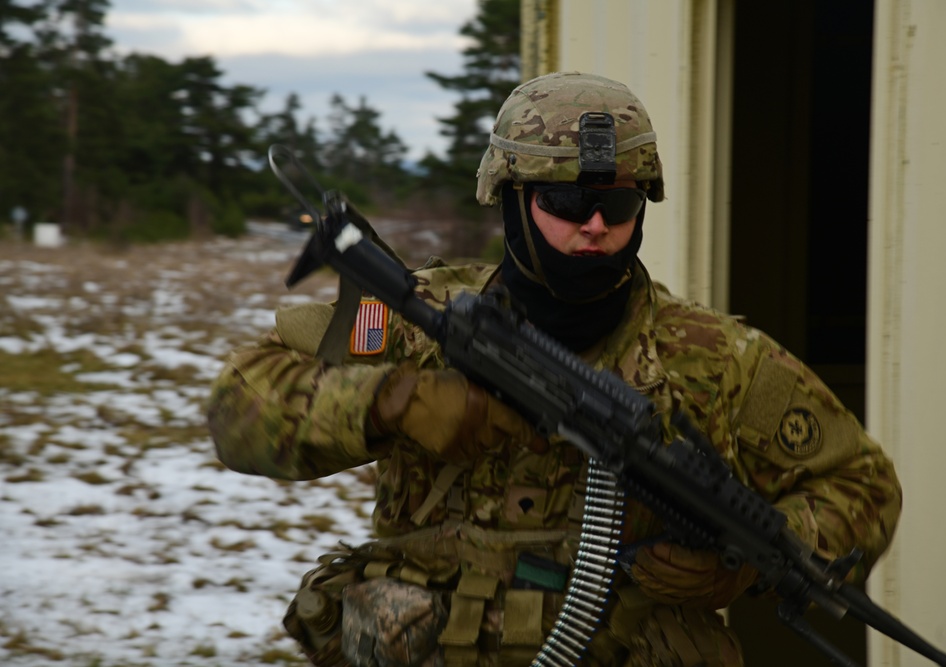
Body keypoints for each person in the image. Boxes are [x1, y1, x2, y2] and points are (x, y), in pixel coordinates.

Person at [206, 71, 901, 667]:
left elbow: (863, 485)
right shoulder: (417, 321)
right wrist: (392, 401)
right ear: (511, 198)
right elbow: (238, 407)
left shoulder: (714, 359)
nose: (594, 225)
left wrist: (743, 563)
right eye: (566, 202)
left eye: (618, 203)